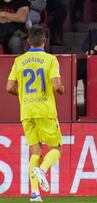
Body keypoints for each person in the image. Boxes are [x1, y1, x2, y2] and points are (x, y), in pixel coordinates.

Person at [6, 25, 64, 202]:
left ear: (28, 41)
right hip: (45, 110)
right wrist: (61, 89)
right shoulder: (50, 60)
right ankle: (43, 170)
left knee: (35, 151)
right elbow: (56, 85)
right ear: (44, 41)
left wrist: (23, 95)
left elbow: (9, 87)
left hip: (26, 111)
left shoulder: (19, 61)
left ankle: (34, 194)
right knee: (56, 149)